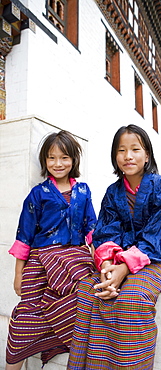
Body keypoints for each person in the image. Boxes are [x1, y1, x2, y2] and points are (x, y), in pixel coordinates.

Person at [67, 124, 161, 369]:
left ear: (147, 156)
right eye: (121, 150)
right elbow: (106, 230)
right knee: (91, 292)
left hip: (159, 253)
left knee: (132, 296)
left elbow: (160, 235)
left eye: (135, 149)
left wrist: (124, 268)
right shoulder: (113, 192)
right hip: (122, 255)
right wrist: (110, 264)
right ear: (115, 156)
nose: (128, 156)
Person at [6, 130, 97, 369]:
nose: (58, 164)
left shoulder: (84, 191)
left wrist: (99, 259)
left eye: (64, 157)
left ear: (74, 160)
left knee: (85, 302)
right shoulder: (38, 194)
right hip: (40, 264)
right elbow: (24, 236)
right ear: (45, 161)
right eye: (52, 158)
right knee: (24, 320)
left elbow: (92, 229)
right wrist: (18, 275)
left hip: (75, 261)